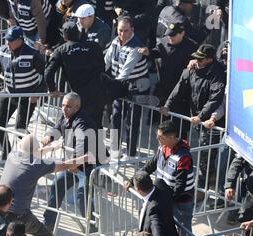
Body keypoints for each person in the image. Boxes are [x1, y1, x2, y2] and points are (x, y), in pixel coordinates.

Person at [0, 134, 87, 236]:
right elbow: (64, 165)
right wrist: (85, 158)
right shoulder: (36, 166)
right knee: (43, 233)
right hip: (20, 216)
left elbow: (33, 153)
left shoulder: (13, 154)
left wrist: (51, 147)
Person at [41, 92, 106, 236]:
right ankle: (48, 223)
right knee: (57, 185)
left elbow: (82, 145)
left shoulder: (82, 122)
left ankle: (94, 234)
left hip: (90, 165)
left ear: (77, 107)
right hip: (75, 164)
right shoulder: (67, 115)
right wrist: (48, 137)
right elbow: (58, 127)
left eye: (68, 106)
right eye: (63, 105)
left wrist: (72, 165)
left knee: (83, 197)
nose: (64, 109)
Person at [161, 44, 226, 188]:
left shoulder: (217, 74)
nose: (197, 61)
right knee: (206, 154)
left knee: (206, 156)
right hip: (198, 117)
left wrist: (201, 116)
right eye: (196, 58)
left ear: (210, 60)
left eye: (201, 60)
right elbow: (179, 88)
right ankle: (209, 180)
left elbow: (215, 99)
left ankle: (203, 187)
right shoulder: (191, 70)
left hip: (212, 122)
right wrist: (167, 105)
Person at [124, 121, 195, 236]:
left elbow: (180, 186)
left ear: (172, 137)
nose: (157, 138)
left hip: (181, 202)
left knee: (185, 234)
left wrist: (165, 201)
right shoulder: (163, 148)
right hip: (165, 197)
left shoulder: (183, 157)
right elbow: (149, 167)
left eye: (160, 136)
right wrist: (132, 179)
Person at [0, 26, 46, 160]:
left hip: (27, 97)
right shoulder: (3, 51)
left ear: (20, 40)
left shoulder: (32, 54)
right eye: (7, 40)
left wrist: (37, 93)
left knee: (20, 129)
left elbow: (45, 75)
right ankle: (6, 153)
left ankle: (33, 154)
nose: (7, 43)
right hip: (8, 93)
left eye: (11, 40)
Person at [45, 20, 107, 128]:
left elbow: (48, 73)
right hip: (97, 94)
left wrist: (52, 89)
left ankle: (77, 144)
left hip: (77, 98)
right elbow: (102, 67)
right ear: (78, 33)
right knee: (96, 126)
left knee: (75, 126)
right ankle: (97, 145)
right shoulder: (94, 46)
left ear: (64, 37)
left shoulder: (61, 51)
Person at [105, 15, 150, 161]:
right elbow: (105, 62)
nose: (122, 34)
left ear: (132, 30)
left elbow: (126, 72)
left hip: (135, 87)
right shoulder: (114, 42)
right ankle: (114, 150)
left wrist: (110, 86)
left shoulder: (136, 47)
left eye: (126, 31)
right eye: (119, 30)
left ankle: (131, 154)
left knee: (132, 120)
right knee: (116, 117)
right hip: (120, 84)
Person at [143, 22, 198, 108]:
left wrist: (195, 62)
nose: (170, 38)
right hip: (163, 87)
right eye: (169, 35)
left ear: (182, 33)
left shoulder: (192, 47)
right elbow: (157, 52)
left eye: (173, 35)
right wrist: (148, 52)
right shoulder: (163, 42)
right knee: (156, 115)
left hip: (180, 90)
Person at [129, 172, 179, 236]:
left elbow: (157, 229)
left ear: (137, 189)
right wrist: (130, 182)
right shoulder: (160, 183)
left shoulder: (153, 208)